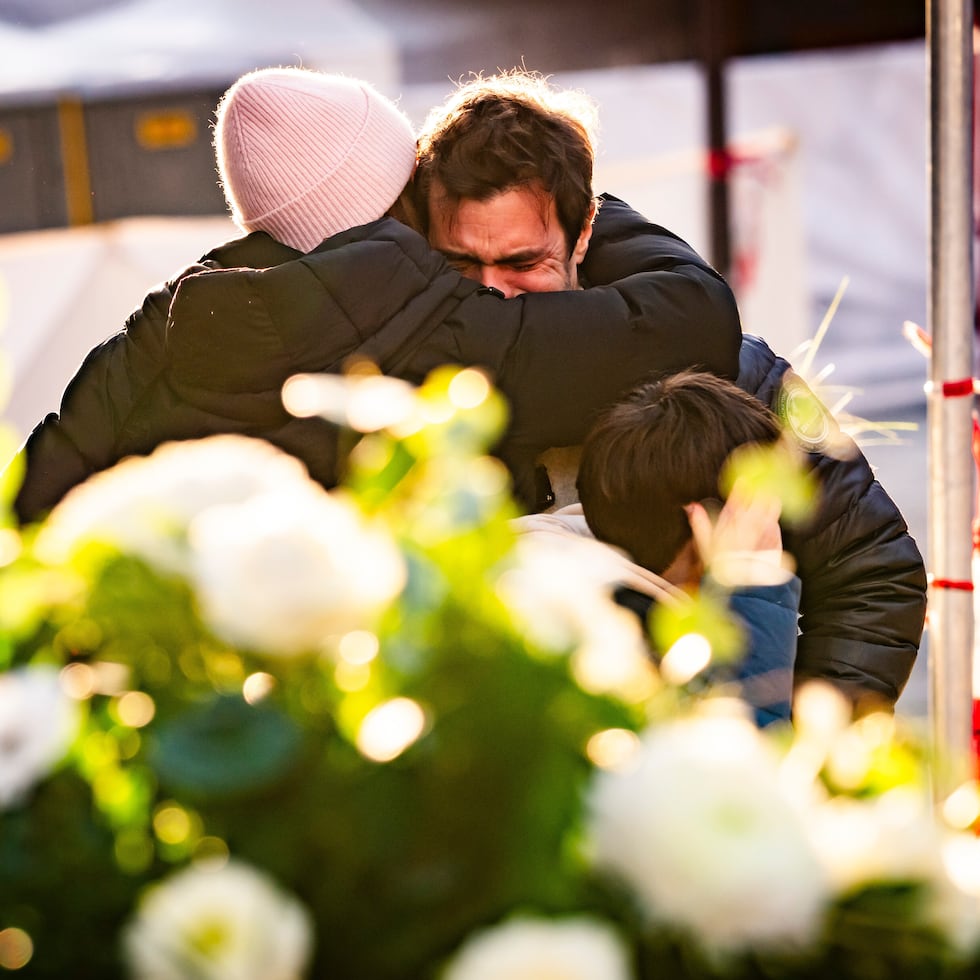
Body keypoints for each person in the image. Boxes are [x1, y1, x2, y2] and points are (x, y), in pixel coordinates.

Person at [9, 65, 741, 523]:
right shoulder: (430, 323)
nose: (493, 287)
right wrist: (581, 206)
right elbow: (695, 319)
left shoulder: (166, 320)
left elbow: (34, 493)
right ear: (398, 208)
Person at [412, 69, 926, 715]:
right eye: (459, 263)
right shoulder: (409, 386)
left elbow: (872, 574)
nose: (492, 293)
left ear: (584, 232)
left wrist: (794, 738)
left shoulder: (729, 369)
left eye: (523, 263)